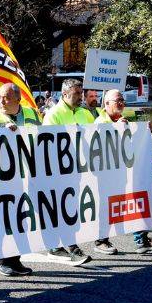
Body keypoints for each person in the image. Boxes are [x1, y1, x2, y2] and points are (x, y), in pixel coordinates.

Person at [0, 82, 41, 277]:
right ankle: (0, 258)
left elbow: (42, 139)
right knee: (2, 218)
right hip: (1, 177)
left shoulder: (32, 114)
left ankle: (15, 259)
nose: (1, 101)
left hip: (26, 175)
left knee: (19, 219)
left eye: (6, 97)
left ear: (18, 98)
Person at [97, 89, 152, 254]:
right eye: (117, 100)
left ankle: (141, 240)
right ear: (106, 104)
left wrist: (141, 130)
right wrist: (115, 129)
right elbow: (100, 147)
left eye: (122, 100)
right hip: (107, 176)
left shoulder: (123, 120)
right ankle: (101, 241)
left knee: (134, 203)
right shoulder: (99, 122)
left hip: (126, 174)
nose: (121, 103)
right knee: (107, 207)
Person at [43, 78, 102, 262]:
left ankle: (65, 244)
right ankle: (62, 246)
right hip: (59, 172)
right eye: (77, 93)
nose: (80, 97)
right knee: (61, 209)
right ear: (65, 94)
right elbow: (47, 144)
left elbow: (96, 138)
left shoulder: (85, 113)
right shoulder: (53, 115)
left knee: (72, 209)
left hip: (79, 170)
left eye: (81, 93)